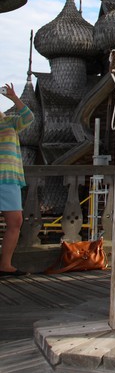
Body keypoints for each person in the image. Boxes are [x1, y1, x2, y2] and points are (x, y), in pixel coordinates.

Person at [0, 83, 34, 277]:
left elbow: (29, 117)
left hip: (9, 178)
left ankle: (5, 265)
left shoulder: (10, 122)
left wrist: (13, 97)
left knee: (15, 221)